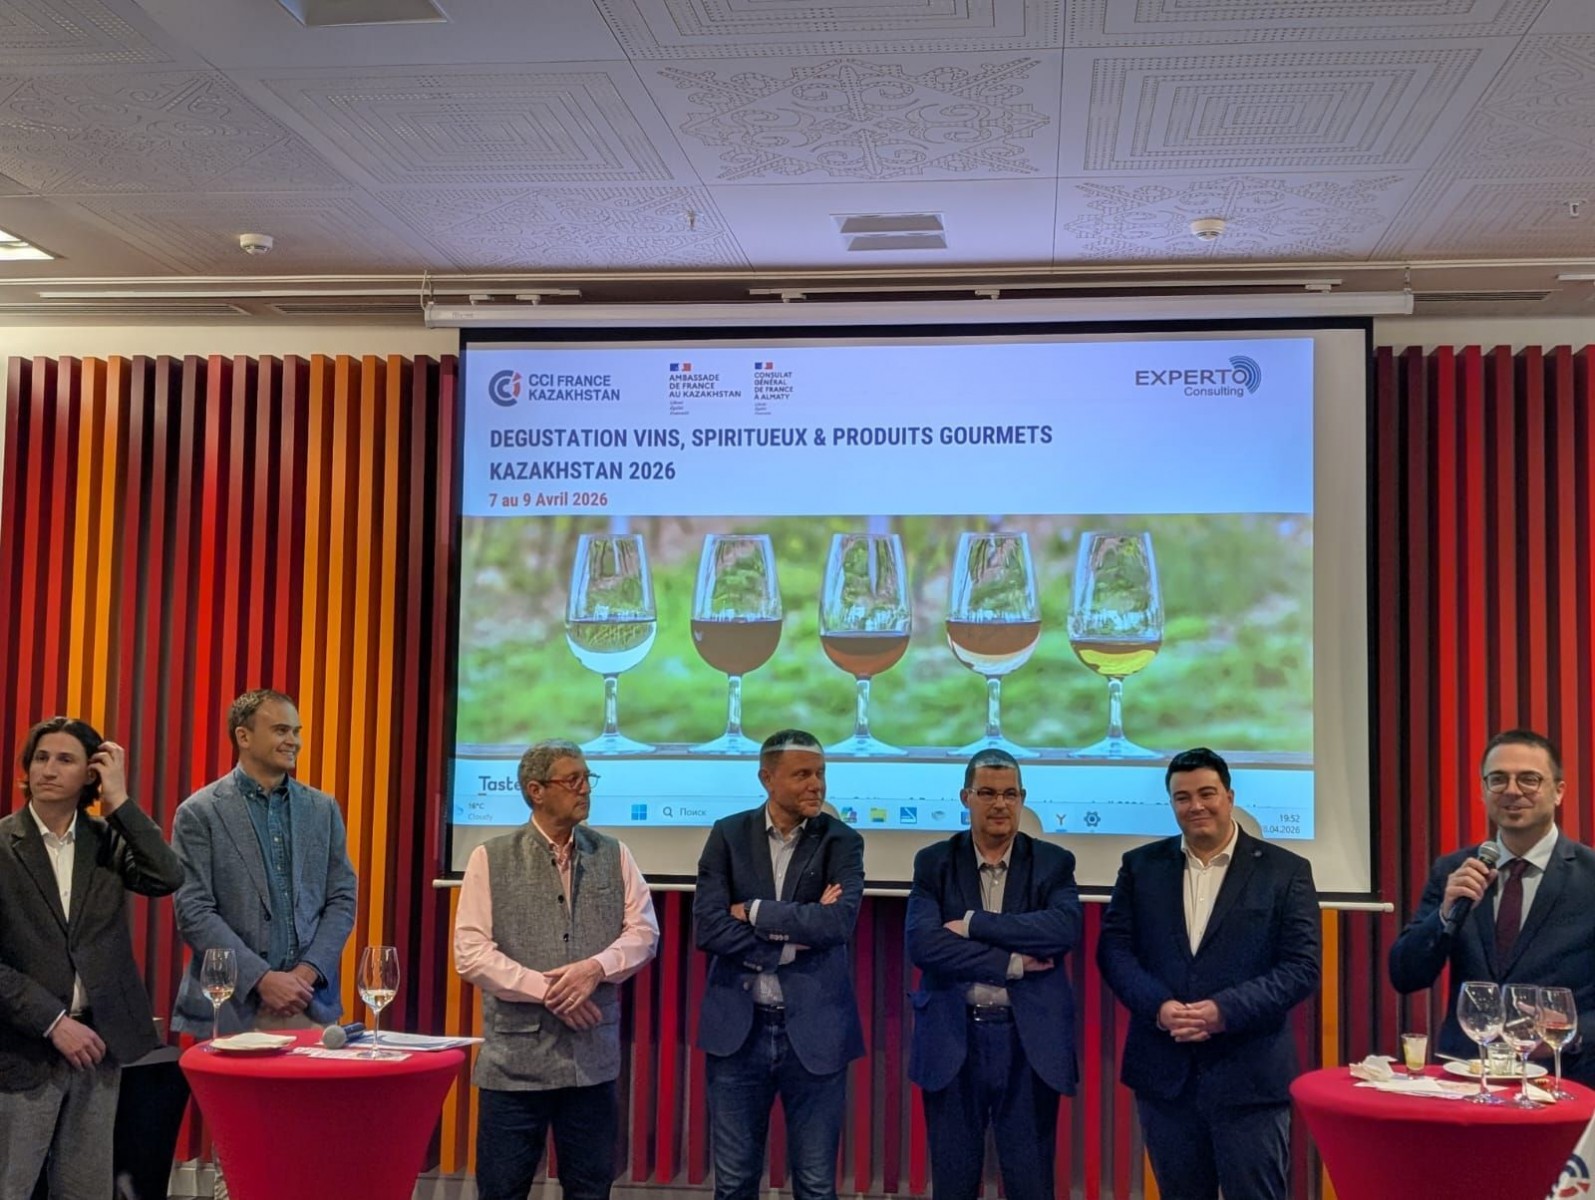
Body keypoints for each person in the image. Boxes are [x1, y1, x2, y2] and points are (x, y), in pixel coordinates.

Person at [1097, 747, 1320, 1200]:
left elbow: (1301, 967)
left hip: (1249, 1079)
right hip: (1164, 1076)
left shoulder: (1285, 871)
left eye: (1206, 793)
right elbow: (1115, 951)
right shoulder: (1140, 867)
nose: (1195, 806)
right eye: (1182, 797)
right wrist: (1159, 1007)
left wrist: (1224, 1011)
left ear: (1229, 796)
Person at [454, 739, 659, 1200]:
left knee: (590, 1189)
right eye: (573, 780)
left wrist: (594, 969)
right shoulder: (490, 857)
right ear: (536, 790)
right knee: (502, 1190)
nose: (585, 788)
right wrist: (548, 990)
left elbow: (644, 933)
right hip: (515, 1066)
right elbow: (471, 952)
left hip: (591, 1062)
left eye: (588, 778)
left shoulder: (615, 853)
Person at [0, 717, 184, 1200]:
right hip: (21, 1050)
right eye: (41, 758)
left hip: (99, 1046)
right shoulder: (2, 844)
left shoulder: (108, 840)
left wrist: (119, 801)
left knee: (86, 1191)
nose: (48, 769)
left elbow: (166, 876)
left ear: (90, 774)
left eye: (65, 759)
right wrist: (52, 1020)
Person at [694, 729, 865, 1200]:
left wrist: (751, 911)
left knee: (816, 1184)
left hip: (816, 1031)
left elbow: (837, 924)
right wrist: (789, 944)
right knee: (733, 1182)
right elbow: (708, 928)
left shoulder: (842, 841)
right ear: (767, 779)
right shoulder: (728, 835)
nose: (816, 785)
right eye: (802, 774)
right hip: (738, 1032)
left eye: (821, 773)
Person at [906, 749, 1080, 1200]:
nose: (999, 804)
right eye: (987, 793)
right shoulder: (935, 862)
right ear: (966, 797)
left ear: (1022, 798)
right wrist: (1011, 963)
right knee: (953, 1183)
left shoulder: (1053, 862)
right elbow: (924, 945)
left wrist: (972, 924)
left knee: (1030, 1183)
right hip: (953, 1037)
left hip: (1028, 1042)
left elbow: (1061, 931)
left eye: (1009, 794)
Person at [1389, 729, 1595, 1081]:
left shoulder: (1590, 876)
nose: (1512, 790)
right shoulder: (1455, 870)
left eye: (1529, 779)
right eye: (1498, 779)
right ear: (1483, 791)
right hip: (1468, 1074)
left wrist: (1570, 1034)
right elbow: (1405, 975)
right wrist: (1444, 915)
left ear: (1559, 791)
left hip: (1564, 1079)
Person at [170, 689, 357, 1035]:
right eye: (281, 731)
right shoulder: (199, 813)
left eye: (296, 731)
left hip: (309, 1003)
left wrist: (306, 974)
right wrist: (261, 979)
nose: (293, 741)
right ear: (243, 736)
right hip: (231, 1007)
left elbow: (342, 899)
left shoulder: (323, 809)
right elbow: (194, 911)